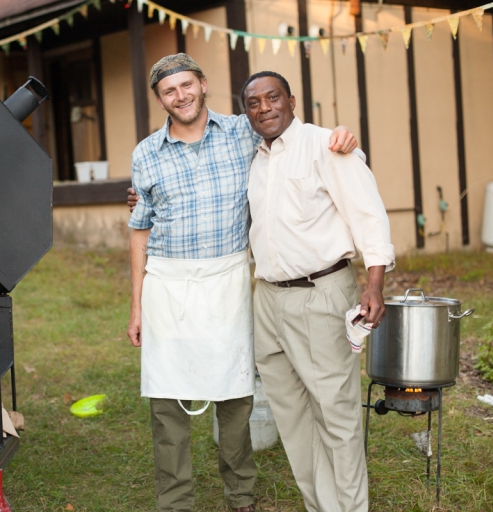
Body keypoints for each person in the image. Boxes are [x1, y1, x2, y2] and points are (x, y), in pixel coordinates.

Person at [126, 54, 357, 512]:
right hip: (166, 283)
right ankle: (175, 502)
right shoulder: (145, 153)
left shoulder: (241, 131)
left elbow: (290, 134)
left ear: (203, 84)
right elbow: (140, 230)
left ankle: (241, 496)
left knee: (235, 395)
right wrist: (135, 306)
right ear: (159, 99)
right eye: (169, 91)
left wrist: (340, 136)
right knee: (167, 403)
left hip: (229, 277)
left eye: (187, 85)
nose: (181, 96)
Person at [242, 70, 394, 512]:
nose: (264, 107)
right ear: (247, 112)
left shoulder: (328, 145)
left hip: (320, 292)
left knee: (336, 412)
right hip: (268, 299)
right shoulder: (256, 158)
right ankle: (320, 505)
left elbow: (370, 217)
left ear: (291, 100)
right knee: (292, 416)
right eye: (254, 102)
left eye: (273, 98)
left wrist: (374, 284)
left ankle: (350, 507)